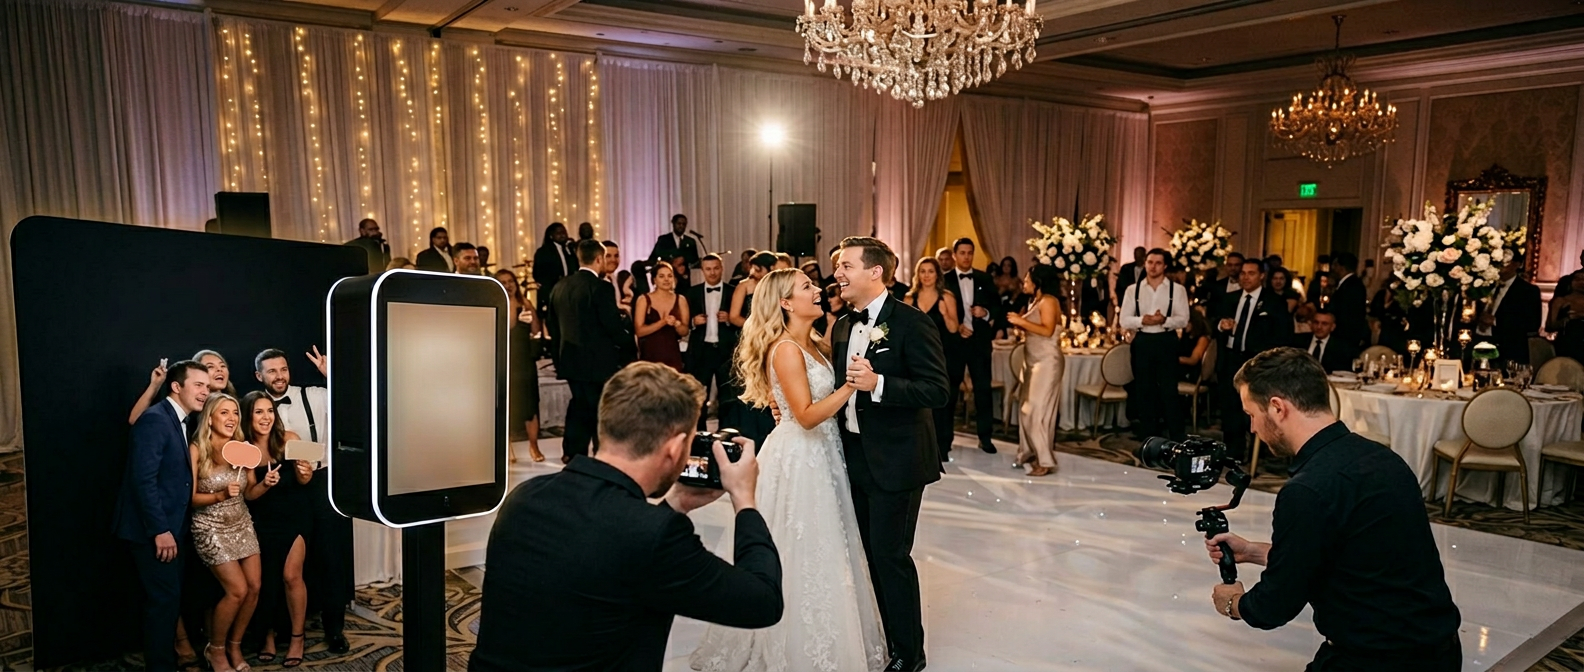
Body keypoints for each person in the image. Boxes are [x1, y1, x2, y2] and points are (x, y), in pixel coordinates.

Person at [470, 363, 781, 671]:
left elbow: (606, 546)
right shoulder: (653, 535)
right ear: (674, 448)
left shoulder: (525, 497)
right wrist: (745, 500)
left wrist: (675, 504)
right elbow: (762, 602)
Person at [1206, 347, 1462, 671]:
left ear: (1277, 408)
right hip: (1439, 649)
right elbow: (1350, 557)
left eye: (1251, 414)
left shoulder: (1307, 490)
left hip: (1373, 659)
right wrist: (1254, 551)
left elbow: (1275, 606)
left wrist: (1233, 601)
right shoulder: (1381, 458)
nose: (1253, 428)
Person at [690, 269, 887, 671]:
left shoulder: (814, 341)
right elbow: (808, 416)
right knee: (801, 543)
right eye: (807, 288)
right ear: (785, 302)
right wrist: (851, 386)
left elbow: (793, 404)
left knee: (826, 544)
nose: (818, 291)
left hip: (822, 453)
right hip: (800, 456)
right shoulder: (784, 349)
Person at [829, 236, 949, 672]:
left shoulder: (912, 323)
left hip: (898, 460)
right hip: (855, 456)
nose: (838, 273)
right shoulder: (843, 324)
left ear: (875, 272)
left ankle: (908, 655)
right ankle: (882, 637)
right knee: (866, 555)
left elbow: (937, 390)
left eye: (846, 265)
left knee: (891, 557)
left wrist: (879, 384)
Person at [252, 348, 350, 655]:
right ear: (259, 376)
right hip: (282, 490)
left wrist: (330, 374)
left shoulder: (315, 395)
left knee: (330, 557)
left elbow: (354, 399)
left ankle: (335, 629)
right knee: (280, 563)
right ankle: (281, 627)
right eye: (271, 371)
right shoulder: (255, 406)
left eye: (283, 369)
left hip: (320, 482)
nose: (279, 376)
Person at [115, 360, 209, 672]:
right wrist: (160, 530)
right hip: (152, 532)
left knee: (167, 602)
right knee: (163, 604)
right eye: (198, 385)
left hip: (171, 529)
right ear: (176, 386)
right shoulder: (155, 420)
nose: (205, 392)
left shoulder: (177, 419)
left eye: (207, 387)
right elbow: (143, 480)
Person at [187, 393, 261, 672]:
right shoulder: (197, 449)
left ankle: (235, 645)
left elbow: (250, 493)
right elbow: (190, 498)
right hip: (210, 528)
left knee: (254, 588)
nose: (232, 419)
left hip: (242, 524)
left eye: (235, 413)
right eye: (224, 413)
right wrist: (219, 495)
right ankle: (215, 650)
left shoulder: (242, 447)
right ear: (210, 417)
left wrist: (266, 484)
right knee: (237, 590)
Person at [238, 393, 312, 668]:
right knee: (265, 580)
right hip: (261, 521)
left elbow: (306, 479)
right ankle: (266, 634)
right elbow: (249, 495)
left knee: (292, 576)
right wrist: (265, 483)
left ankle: (297, 637)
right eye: (259, 412)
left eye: (270, 411)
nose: (266, 417)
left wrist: (305, 473)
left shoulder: (290, 438)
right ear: (249, 416)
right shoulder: (244, 448)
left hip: (295, 517)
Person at [547, 238, 629, 463]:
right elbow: (611, 325)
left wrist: (558, 358)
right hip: (598, 361)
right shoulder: (601, 287)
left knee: (580, 404)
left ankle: (573, 452)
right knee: (599, 406)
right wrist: (629, 344)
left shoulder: (560, 286)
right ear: (599, 259)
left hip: (569, 360)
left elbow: (552, 327)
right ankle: (602, 454)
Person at [1214, 258, 1292, 462]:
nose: (1245, 277)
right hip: (1231, 358)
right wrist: (1222, 326)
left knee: (1256, 407)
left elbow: (1282, 334)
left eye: (1250, 273)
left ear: (1261, 276)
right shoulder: (1230, 298)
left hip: (1256, 362)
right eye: (1243, 273)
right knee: (1230, 407)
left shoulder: (1273, 302)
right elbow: (1215, 323)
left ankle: (1262, 452)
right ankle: (1233, 452)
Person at [1121, 249, 1192, 441]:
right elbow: (1124, 320)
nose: (1153, 267)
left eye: (1158, 263)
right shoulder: (1132, 289)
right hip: (1143, 341)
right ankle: (1149, 434)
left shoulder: (1177, 290)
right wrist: (1142, 320)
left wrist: (1164, 320)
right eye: (1150, 262)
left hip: (1166, 341)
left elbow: (1183, 320)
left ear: (1165, 266)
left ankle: (1176, 434)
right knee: (1144, 389)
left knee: (1169, 389)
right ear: (1145, 264)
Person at [1005, 264, 1064, 476]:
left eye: (1028, 279)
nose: (1024, 283)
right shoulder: (1036, 301)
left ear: (1038, 281)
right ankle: (1030, 449)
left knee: (1036, 411)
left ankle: (1045, 459)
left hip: (1046, 362)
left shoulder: (1049, 301)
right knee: (1025, 408)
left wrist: (1021, 321)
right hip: (1032, 360)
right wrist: (1021, 326)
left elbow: (1047, 330)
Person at [946, 237, 1003, 455]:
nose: (966, 256)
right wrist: (957, 326)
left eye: (970, 252)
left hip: (979, 343)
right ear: (954, 255)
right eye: (962, 252)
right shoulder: (945, 280)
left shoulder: (984, 278)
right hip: (955, 344)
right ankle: (946, 439)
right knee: (950, 392)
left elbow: (997, 306)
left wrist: (986, 313)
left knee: (982, 390)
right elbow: (940, 313)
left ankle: (985, 437)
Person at [903, 257, 961, 463]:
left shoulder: (946, 297)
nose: (927, 275)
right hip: (916, 358)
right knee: (919, 402)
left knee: (942, 403)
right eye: (923, 271)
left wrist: (945, 315)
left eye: (931, 271)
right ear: (918, 275)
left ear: (938, 275)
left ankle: (942, 447)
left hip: (942, 356)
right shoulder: (910, 298)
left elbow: (954, 329)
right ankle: (921, 446)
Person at [728, 252, 780, 449]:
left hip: (771, 339)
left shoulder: (772, 288)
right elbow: (734, 316)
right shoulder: (744, 286)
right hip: (751, 339)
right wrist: (759, 327)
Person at [498, 269, 544, 463]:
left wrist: (529, 312)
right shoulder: (496, 305)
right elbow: (508, 327)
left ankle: (534, 446)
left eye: (511, 282)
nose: (508, 285)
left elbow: (536, 330)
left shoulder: (526, 303)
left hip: (524, 359)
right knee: (506, 405)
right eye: (503, 282)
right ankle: (507, 448)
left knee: (530, 405)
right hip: (503, 359)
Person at [686, 254, 736, 431]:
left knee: (727, 396)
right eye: (708, 269)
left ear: (722, 268)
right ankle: (699, 434)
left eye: (716, 268)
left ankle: (726, 434)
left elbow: (741, 321)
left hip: (726, 351)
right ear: (702, 271)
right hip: (702, 350)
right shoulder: (692, 292)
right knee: (698, 394)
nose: (712, 272)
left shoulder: (733, 291)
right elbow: (684, 322)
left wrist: (731, 319)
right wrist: (693, 322)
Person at [1476, 253, 1541, 366]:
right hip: (1479, 342)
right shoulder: (1485, 285)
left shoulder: (1528, 291)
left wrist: (1495, 321)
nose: (1500, 266)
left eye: (1505, 262)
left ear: (1517, 264)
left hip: (1507, 348)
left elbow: (1532, 323)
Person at [635, 262, 690, 371]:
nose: (666, 279)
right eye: (661, 276)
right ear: (654, 280)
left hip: (672, 355)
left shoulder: (681, 300)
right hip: (649, 356)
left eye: (670, 276)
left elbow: (685, 331)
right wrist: (663, 322)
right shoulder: (644, 300)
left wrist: (677, 324)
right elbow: (639, 331)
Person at [1296, 309, 1359, 374]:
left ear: (1332, 327)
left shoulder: (1343, 348)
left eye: (1324, 324)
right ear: (1311, 324)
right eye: (1316, 322)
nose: (1319, 327)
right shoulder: (1297, 341)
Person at [531, 222, 576, 313]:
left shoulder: (569, 250)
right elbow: (538, 274)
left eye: (564, 232)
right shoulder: (544, 252)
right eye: (559, 233)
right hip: (551, 293)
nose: (563, 235)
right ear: (551, 236)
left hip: (568, 293)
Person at [1328, 252, 1369, 349]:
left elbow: (1348, 312)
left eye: (1335, 265)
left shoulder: (1352, 285)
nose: (1332, 268)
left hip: (1345, 336)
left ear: (1341, 267)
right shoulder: (1350, 283)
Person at [1547, 271, 1584, 362]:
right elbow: (1550, 326)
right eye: (1577, 279)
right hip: (1568, 345)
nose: (1581, 282)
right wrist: (1566, 320)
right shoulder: (1560, 301)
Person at [1178, 311, 1212, 383]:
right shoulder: (1186, 337)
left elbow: (1193, 360)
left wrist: (1174, 359)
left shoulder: (1203, 339)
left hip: (1192, 372)